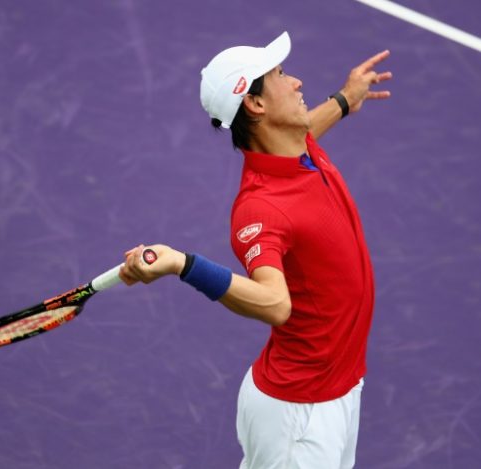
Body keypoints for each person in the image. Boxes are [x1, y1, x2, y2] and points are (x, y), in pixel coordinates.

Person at [119, 31, 391, 469]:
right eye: (281, 75)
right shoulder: (260, 210)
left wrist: (344, 99)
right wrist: (182, 264)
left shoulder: (299, 151)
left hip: (340, 388)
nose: (298, 81)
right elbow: (274, 303)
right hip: (298, 416)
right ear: (256, 104)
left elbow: (307, 127)